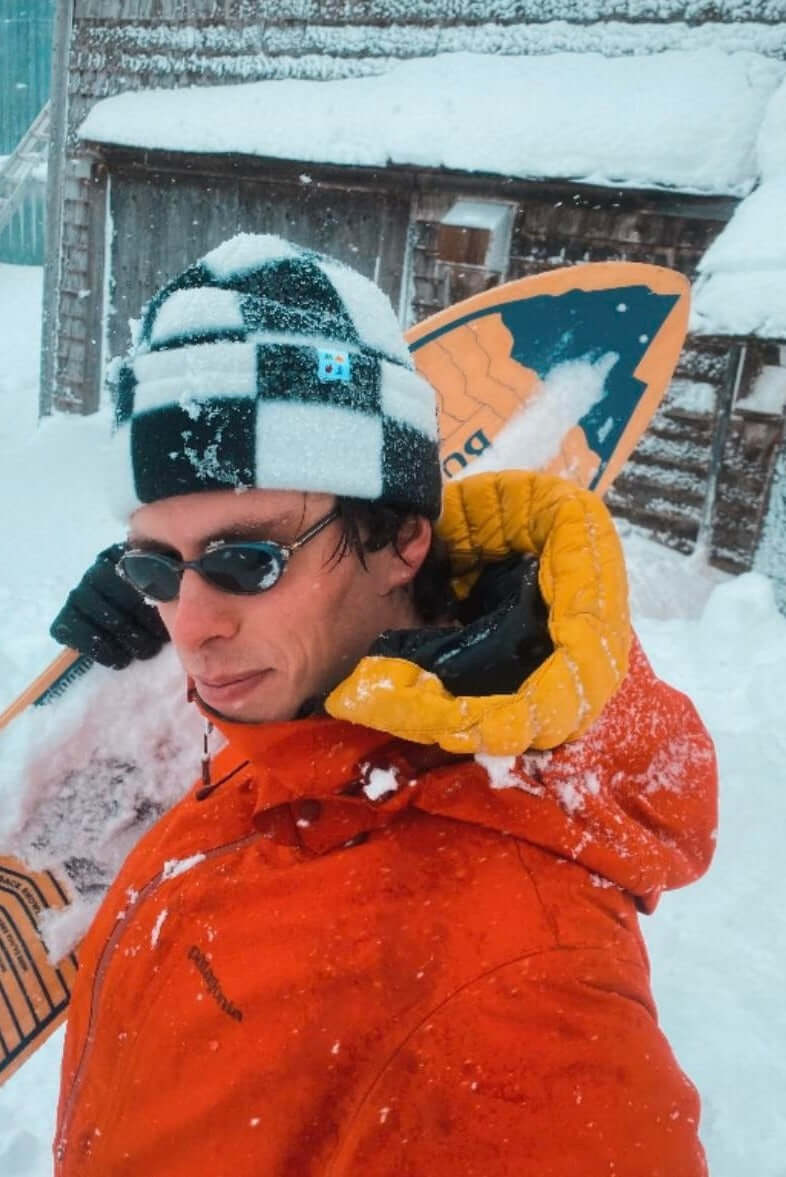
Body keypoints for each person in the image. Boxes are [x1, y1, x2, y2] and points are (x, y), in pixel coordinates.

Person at [49, 234, 717, 1177]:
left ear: (404, 538)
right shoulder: (307, 713)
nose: (191, 629)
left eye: (249, 558)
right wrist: (183, 585)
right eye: (154, 565)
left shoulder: (523, 984)